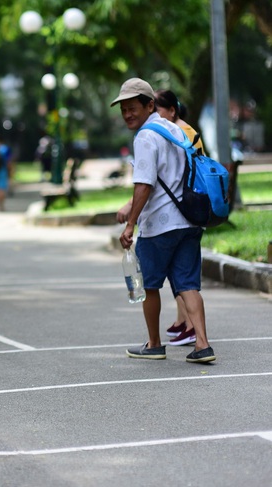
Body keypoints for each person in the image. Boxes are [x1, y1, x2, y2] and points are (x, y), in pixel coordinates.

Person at [112, 77, 215, 363]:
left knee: (150, 285)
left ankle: (154, 344)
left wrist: (131, 223)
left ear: (149, 105)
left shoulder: (145, 136)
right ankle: (202, 345)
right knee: (187, 284)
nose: (128, 114)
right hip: (189, 219)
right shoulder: (174, 129)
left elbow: (144, 184)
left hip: (160, 224)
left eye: (133, 108)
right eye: (123, 110)